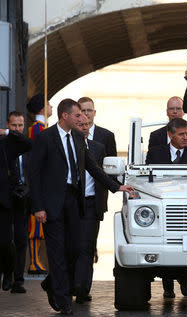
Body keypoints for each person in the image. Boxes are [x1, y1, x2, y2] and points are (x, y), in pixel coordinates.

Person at [30, 99, 133, 315]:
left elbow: (93, 168)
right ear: (65, 116)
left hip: (74, 202)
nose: (82, 119)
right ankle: (63, 298)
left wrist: (117, 186)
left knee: (76, 249)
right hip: (52, 203)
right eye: (77, 115)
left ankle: (52, 283)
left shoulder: (78, 138)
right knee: (57, 251)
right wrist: (38, 207)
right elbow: (35, 174)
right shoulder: (44, 138)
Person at [147, 118, 187, 297]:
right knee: (167, 243)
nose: (185, 137)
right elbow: (150, 181)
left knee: (185, 244)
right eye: (181, 134)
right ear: (170, 134)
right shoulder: (155, 153)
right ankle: (168, 287)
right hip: (165, 207)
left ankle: (184, 279)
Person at [73, 115, 108, 304]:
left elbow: (103, 174)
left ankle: (82, 288)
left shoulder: (98, 148)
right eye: (81, 125)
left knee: (87, 247)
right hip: (71, 203)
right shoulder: (68, 146)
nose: (85, 128)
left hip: (91, 203)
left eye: (87, 124)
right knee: (73, 246)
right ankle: (70, 282)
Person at [78, 96, 117, 263]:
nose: (86, 114)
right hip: (75, 197)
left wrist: (116, 186)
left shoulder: (106, 136)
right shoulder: (71, 136)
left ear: (94, 112)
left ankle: (90, 252)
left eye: (89, 110)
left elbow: (112, 165)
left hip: (96, 197)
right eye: (83, 111)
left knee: (89, 239)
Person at [0, 125, 32, 292]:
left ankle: (8, 272)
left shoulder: (6, 144)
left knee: (5, 242)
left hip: (4, 202)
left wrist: (7, 132)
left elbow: (28, 144)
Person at [26, 93, 52, 275]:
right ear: (43, 107)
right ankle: (34, 261)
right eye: (49, 104)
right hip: (39, 183)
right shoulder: (38, 129)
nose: (51, 107)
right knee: (35, 225)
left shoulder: (42, 127)